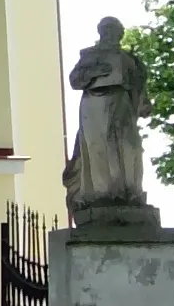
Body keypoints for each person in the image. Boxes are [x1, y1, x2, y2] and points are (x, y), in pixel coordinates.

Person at [64, 16, 149, 218]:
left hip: (122, 103)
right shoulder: (89, 55)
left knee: (128, 147)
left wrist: (143, 99)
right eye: (107, 31)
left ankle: (129, 191)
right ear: (101, 33)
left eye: (115, 32)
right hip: (94, 103)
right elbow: (75, 80)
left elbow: (139, 86)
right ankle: (102, 193)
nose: (111, 35)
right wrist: (93, 72)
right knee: (98, 147)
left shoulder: (128, 58)